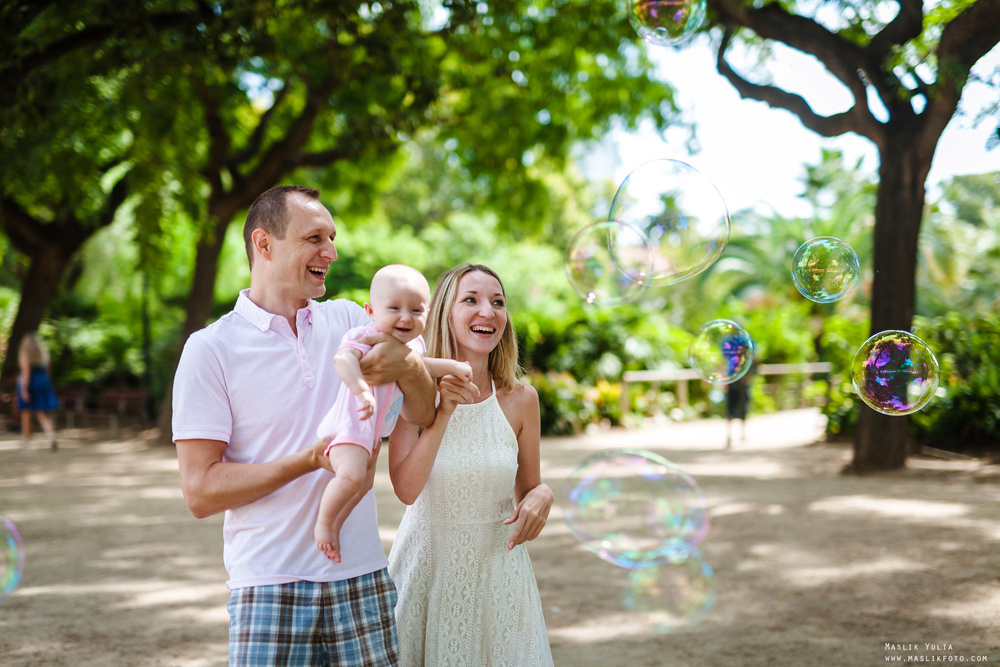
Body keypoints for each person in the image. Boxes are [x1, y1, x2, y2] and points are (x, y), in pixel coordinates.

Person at [171, 185, 438, 666]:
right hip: (267, 585)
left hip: (362, 576)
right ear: (264, 244)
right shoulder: (210, 350)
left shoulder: (352, 321)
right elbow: (200, 490)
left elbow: (422, 413)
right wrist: (307, 461)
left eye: (332, 238)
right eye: (315, 237)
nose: (331, 252)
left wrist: (408, 365)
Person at [386, 263, 555, 666]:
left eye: (498, 302)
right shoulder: (411, 389)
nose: (488, 312)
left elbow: (530, 487)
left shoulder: (521, 400)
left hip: (500, 580)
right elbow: (406, 489)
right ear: (446, 313)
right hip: (427, 575)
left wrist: (543, 495)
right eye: (471, 300)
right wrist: (442, 410)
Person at [313, 264, 471, 563]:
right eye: (394, 308)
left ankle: (335, 527)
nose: (405, 317)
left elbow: (423, 367)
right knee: (351, 477)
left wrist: (453, 367)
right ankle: (323, 525)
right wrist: (360, 391)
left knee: (361, 487)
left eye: (415, 310)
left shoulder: (413, 346)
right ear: (371, 310)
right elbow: (342, 359)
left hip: (369, 433)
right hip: (350, 425)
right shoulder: (366, 334)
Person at [16, 331, 59, 451]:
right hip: (43, 382)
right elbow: (48, 371)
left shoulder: (25, 354)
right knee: (43, 413)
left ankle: (26, 441)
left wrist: (24, 389)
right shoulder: (43, 354)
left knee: (26, 412)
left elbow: (27, 373)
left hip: (31, 383)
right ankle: (52, 436)